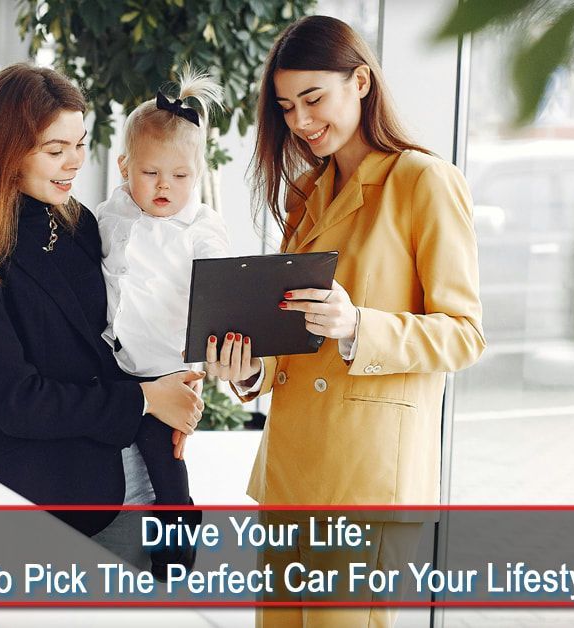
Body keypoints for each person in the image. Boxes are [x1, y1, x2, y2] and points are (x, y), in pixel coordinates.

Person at [206, 16, 486, 627]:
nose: (302, 123)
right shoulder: (308, 192)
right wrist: (250, 370)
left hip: (365, 479)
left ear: (360, 82)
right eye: (286, 107)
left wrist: (358, 324)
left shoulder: (423, 182)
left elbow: (465, 333)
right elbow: (291, 331)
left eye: (314, 98)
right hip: (291, 472)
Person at [0, 63, 205, 570]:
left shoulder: (76, 222)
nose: (72, 164)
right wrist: (146, 399)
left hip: (142, 490)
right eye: (55, 150)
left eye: (80, 144)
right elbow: (16, 401)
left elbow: (120, 340)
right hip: (45, 507)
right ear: (5, 150)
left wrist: (175, 383)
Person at [92, 67, 227, 578]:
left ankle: (179, 534)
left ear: (198, 174)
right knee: (116, 447)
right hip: (113, 361)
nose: (165, 187)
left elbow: (219, 277)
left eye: (180, 176)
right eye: (151, 174)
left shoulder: (199, 225)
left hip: (167, 368)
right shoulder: (111, 213)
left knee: (164, 458)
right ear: (125, 167)